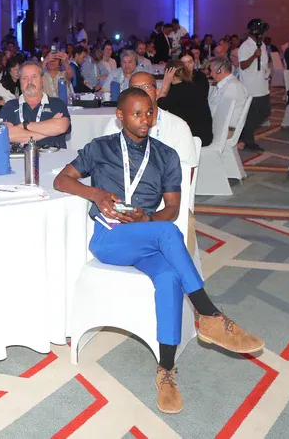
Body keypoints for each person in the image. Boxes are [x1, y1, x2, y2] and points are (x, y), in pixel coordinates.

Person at [54, 87, 264, 414]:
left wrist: (147, 219)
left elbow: (173, 208)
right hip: (111, 239)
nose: (144, 119)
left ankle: (166, 370)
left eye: (149, 113)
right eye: (136, 113)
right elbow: (62, 180)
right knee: (168, 233)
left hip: (148, 236)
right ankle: (209, 314)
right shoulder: (101, 147)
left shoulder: (166, 155)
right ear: (120, 116)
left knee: (169, 277)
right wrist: (96, 194)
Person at [0, 61, 71, 148]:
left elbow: (61, 127)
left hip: (53, 154)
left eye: (34, 77)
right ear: (20, 82)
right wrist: (49, 132)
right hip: (20, 155)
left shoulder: (57, 103)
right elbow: (8, 135)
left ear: (42, 79)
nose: (29, 81)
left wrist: (24, 125)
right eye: (25, 78)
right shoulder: (10, 106)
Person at [157, 59, 212, 146]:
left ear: (168, 74)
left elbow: (159, 108)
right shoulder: (192, 85)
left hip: (194, 138)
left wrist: (165, 84)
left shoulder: (177, 91)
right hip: (204, 134)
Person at [238, 19, 271, 152]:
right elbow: (243, 65)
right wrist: (253, 56)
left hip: (262, 85)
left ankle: (244, 133)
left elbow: (264, 63)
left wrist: (267, 71)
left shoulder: (262, 44)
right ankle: (248, 140)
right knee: (252, 114)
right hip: (251, 86)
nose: (262, 34)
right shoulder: (245, 46)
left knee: (265, 111)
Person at [207, 57, 249, 133]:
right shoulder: (225, 84)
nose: (211, 74)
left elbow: (234, 112)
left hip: (220, 130)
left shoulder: (233, 87)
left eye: (211, 70)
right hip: (215, 125)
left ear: (219, 70)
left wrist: (231, 130)